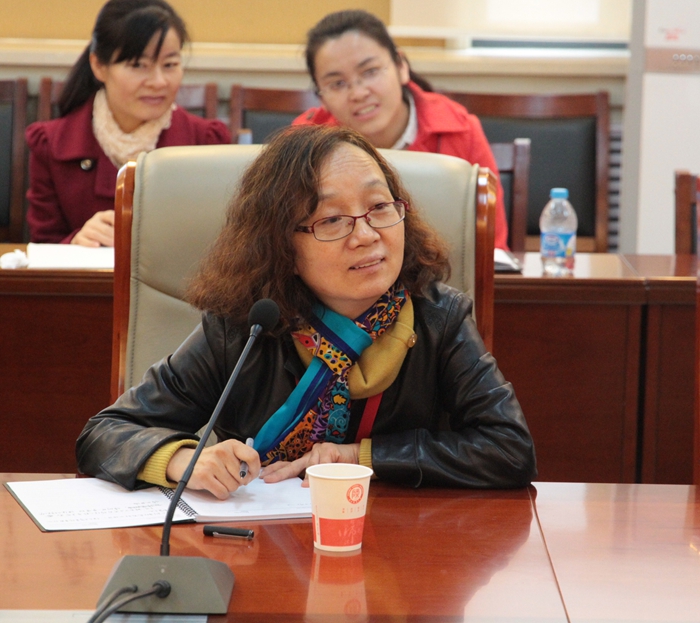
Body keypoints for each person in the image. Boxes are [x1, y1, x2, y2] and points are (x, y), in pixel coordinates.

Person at [76, 125, 536, 498]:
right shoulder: (244, 327)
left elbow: (510, 449)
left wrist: (359, 457)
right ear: (282, 245)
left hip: (402, 553)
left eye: (379, 207)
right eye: (332, 220)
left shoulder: (439, 319)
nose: (367, 235)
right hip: (260, 551)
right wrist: (183, 462)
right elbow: (105, 432)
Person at [293, 9, 510, 250]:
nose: (358, 93)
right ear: (321, 96)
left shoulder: (460, 130)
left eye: (370, 71)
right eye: (337, 83)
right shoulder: (302, 144)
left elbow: (492, 245)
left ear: (401, 66)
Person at [25, 0, 231, 247]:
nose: (158, 82)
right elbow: (44, 246)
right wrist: (76, 242)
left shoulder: (206, 143)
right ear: (99, 66)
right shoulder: (52, 144)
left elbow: (224, 246)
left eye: (170, 65)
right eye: (138, 65)